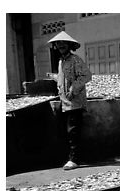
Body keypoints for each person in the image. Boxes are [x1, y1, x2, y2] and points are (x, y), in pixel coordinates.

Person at [48, 32, 92, 170]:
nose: (60, 45)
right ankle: (72, 157)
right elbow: (64, 78)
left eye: (63, 43)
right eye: (58, 43)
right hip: (64, 103)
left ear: (69, 45)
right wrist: (54, 77)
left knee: (73, 131)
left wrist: (73, 90)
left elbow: (86, 76)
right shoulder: (61, 61)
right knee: (67, 132)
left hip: (75, 101)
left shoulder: (75, 60)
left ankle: (74, 159)